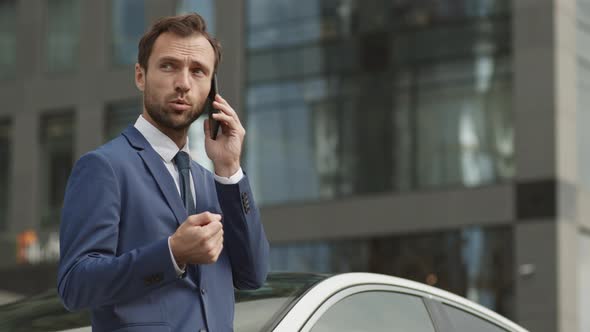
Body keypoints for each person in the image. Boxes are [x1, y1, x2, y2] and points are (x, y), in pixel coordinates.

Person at [57, 13, 269, 332]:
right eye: (168, 66)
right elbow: (75, 285)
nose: (183, 83)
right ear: (140, 76)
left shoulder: (215, 183)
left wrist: (229, 170)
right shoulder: (104, 168)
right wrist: (171, 254)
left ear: (212, 90)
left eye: (198, 71)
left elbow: (253, 276)